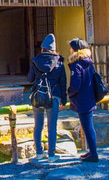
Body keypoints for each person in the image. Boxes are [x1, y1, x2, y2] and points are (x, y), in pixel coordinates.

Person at [27, 33, 67, 162]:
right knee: (52, 126)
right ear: (54, 49)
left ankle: (39, 152)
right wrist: (64, 99)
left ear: (42, 48)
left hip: (38, 96)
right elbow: (63, 82)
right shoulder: (59, 63)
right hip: (54, 96)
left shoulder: (35, 60)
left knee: (38, 125)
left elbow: (29, 79)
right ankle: (51, 155)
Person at [67, 38, 99, 162]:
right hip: (89, 97)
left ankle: (94, 154)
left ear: (75, 49)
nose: (69, 49)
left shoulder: (77, 64)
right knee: (88, 126)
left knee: (88, 127)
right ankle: (91, 151)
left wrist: (69, 92)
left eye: (71, 47)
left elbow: (76, 84)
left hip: (82, 99)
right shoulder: (88, 62)